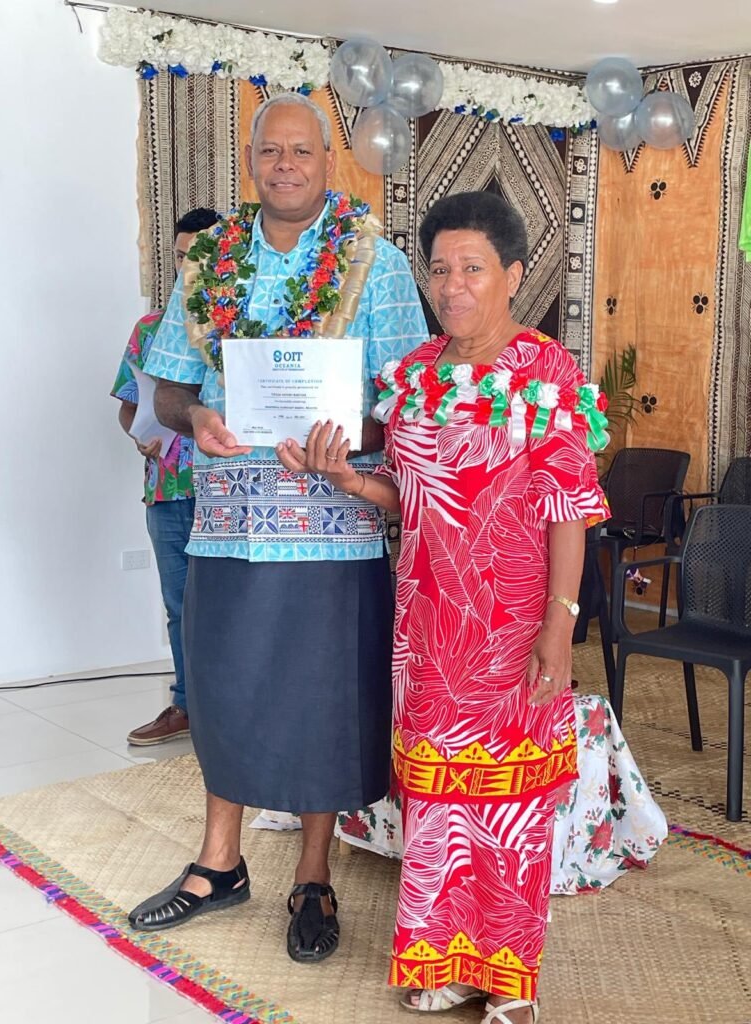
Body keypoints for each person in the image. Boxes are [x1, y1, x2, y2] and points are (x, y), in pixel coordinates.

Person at [277, 191, 609, 1022]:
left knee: (510, 807)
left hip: (514, 624)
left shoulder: (545, 372)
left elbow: (569, 508)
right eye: (440, 269)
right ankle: (452, 962)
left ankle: (512, 981)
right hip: (427, 625)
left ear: (514, 275)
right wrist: (350, 480)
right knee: (439, 802)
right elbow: (411, 494)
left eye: (473, 268)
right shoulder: (417, 375)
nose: (453, 286)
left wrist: (560, 624)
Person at [126, 93, 428, 961]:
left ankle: (314, 876)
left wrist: (349, 440)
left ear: (329, 162)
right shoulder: (210, 260)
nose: (285, 165)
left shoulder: (376, 263)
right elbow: (169, 387)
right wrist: (195, 420)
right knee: (222, 690)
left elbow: (406, 398)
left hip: (333, 527)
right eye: (270, 152)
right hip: (226, 524)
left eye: (301, 151)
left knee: (324, 700)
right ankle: (218, 864)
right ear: (251, 161)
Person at [112, 207, 218, 745]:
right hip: (167, 489)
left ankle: (229, 712)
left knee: (230, 604)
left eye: (197, 258)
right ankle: (186, 706)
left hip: (228, 491)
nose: (186, 268)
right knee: (180, 607)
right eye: (179, 258)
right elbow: (129, 406)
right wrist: (139, 437)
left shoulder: (237, 327)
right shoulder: (150, 329)